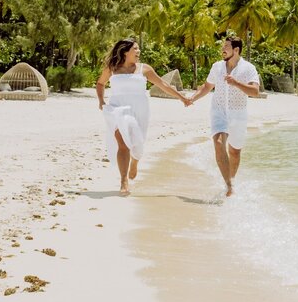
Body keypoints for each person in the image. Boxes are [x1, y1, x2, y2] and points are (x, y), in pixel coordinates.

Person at [95, 39, 192, 195]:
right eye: (135, 49)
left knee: (138, 143)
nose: (138, 51)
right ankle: (123, 181)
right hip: (117, 109)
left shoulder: (144, 69)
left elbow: (163, 84)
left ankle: (135, 161)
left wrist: (182, 98)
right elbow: (100, 84)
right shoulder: (112, 68)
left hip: (139, 109)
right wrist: (101, 100)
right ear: (125, 51)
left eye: (138, 48)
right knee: (123, 143)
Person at [187, 36, 260, 197]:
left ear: (236, 50)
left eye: (226, 46)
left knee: (234, 152)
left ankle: (231, 181)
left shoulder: (248, 68)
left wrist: (236, 83)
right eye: (223, 46)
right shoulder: (217, 67)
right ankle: (229, 186)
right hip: (218, 111)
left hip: (238, 114)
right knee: (219, 142)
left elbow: (255, 92)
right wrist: (192, 98)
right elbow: (207, 87)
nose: (223, 49)